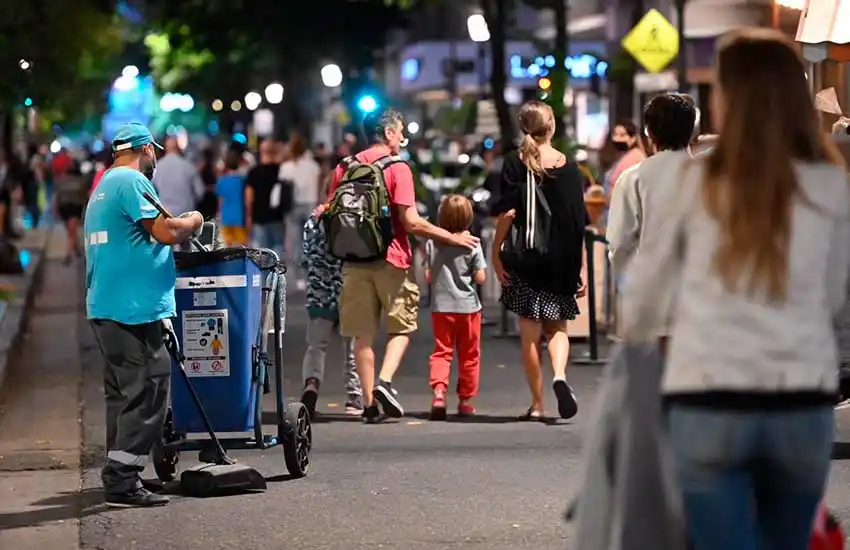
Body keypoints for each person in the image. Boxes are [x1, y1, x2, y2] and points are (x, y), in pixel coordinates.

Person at [619, 29, 850, 550]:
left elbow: (643, 305)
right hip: (801, 397)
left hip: (710, 398)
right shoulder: (831, 186)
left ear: (729, 99)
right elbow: (833, 299)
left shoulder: (688, 184)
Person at [318, 108, 478, 423]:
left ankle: (368, 405)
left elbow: (328, 209)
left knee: (361, 336)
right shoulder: (397, 168)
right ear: (389, 133)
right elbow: (411, 221)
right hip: (392, 259)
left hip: (353, 260)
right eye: (400, 131)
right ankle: (385, 382)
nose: (403, 137)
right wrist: (450, 236)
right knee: (402, 327)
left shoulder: (344, 167)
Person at [85, 122, 203, 507]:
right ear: (145, 149)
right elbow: (167, 231)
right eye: (154, 151)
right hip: (131, 308)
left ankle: (123, 470)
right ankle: (121, 480)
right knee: (150, 388)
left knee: (123, 395)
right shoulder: (131, 182)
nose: (156, 159)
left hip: (108, 304)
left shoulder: (104, 184)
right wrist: (194, 221)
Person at [490, 100, 587, 421]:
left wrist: (496, 251)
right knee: (557, 325)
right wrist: (581, 266)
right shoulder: (569, 166)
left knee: (530, 332)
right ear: (553, 126)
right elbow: (577, 222)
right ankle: (560, 375)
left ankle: (537, 403)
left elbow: (508, 212)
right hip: (562, 257)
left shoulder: (515, 163)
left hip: (527, 257)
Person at [607, 93, 697, 280]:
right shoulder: (711, 177)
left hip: (652, 290)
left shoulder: (633, 178)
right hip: (703, 293)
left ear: (649, 132)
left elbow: (619, 245)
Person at [424, 194, 487, 420]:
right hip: (469, 309)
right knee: (469, 354)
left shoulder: (433, 242)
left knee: (442, 352)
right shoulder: (473, 244)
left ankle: (439, 393)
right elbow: (480, 278)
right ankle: (465, 400)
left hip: (441, 307)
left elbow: (429, 276)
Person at [299, 214, 363, 418]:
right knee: (352, 349)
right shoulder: (354, 219)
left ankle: (311, 385)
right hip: (350, 292)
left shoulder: (312, 222)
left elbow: (305, 258)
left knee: (316, 346)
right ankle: (354, 398)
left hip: (319, 294)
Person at [280, 133, 321, 288]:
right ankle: (310, 273)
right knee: (310, 241)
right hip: (310, 204)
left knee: (294, 242)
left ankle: (297, 276)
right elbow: (317, 188)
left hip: (292, 205)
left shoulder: (286, 168)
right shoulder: (313, 167)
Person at [245, 139, 288, 257]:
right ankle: (276, 275)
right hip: (278, 217)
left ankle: (264, 275)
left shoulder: (253, 172)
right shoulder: (281, 170)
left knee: (261, 253)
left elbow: (249, 198)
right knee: (278, 251)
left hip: (259, 218)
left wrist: (248, 217)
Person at [152, 136, 204, 220]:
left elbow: (153, 191)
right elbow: (200, 192)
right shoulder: (188, 166)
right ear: (179, 147)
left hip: (166, 215)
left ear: (165, 148)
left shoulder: (157, 167)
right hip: (187, 215)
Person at [53, 158, 89, 264]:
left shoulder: (62, 180)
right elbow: (85, 196)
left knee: (71, 231)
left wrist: (55, 208)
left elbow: (57, 196)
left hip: (65, 207)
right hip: (74, 207)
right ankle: (72, 251)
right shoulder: (81, 181)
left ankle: (69, 253)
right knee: (71, 231)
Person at [216, 150, 249, 246]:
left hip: (226, 218)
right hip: (239, 217)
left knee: (228, 247)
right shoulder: (242, 180)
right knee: (242, 246)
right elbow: (246, 200)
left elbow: (220, 200)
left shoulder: (221, 181)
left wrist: (219, 214)